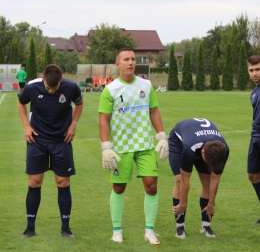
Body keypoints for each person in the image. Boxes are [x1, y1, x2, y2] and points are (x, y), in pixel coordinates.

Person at [98, 48, 169, 246]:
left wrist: (161, 136)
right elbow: (103, 119)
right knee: (119, 187)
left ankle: (149, 231)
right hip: (121, 147)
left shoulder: (146, 85)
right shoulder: (110, 89)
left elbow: (154, 111)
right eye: (126, 59)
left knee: (151, 185)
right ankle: (117, 230)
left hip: (145, 145)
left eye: (133, 59)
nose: (131, 62)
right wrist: (106, 147)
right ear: (117, 64)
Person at [18, 64, 83, 239]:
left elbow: (79, 103)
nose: (51, 91)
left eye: (54, 88)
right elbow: (21, 102)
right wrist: (26, 126)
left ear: (61, 80)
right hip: (37, 140)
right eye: (48, 87)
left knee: (63, 183)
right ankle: (30, 228)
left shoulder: (71, 87)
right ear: (43, 78)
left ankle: (66, 228)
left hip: (61, 140)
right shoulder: (32, 87)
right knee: (34, 183)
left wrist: (73, 125)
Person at [169, 118, 229, 239]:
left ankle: (206, 226)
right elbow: (185, 180)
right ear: (202, 153)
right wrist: (183, 204)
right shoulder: (189, 148)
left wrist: (211, 203)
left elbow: (215, 180)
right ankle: (180, 227)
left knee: (207, 182)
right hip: (179, 142)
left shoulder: (223, 150)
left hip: (202, 142)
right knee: (180, 180)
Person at [247, 55, 260, 224]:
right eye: (251, 70)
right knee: (253, 176)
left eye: (258, 69)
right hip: (255, 138)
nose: (255, 73)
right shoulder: (254, 93)